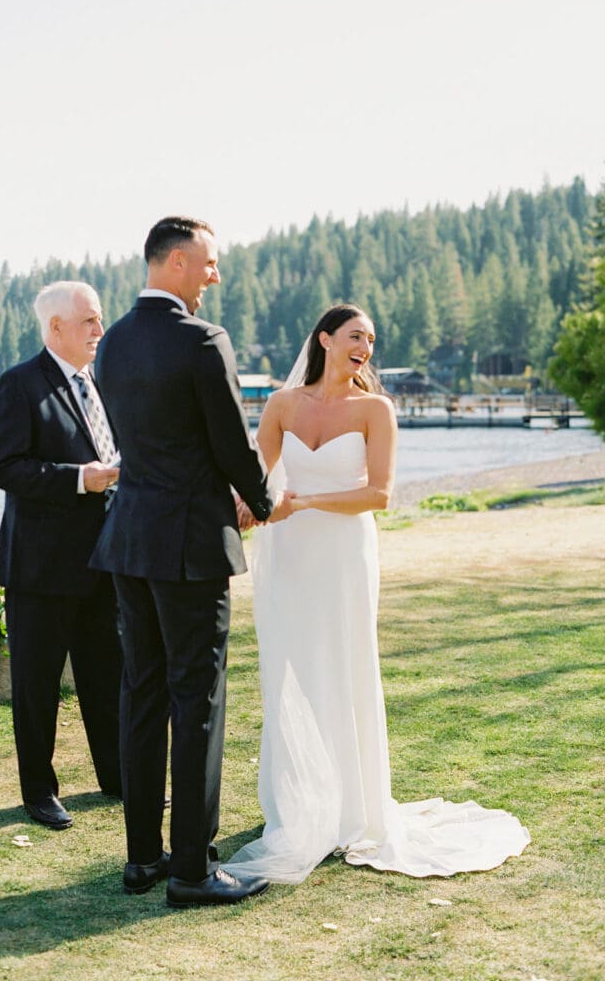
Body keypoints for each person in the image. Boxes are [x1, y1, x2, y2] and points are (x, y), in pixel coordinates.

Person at [228, 304, 530, 883]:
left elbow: (380, 495)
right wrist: (245, 510)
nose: (365, 345)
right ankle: (297, 802)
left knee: (343, 667)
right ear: (325, 340)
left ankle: (351, 809)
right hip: (288, 555)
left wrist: (304, 503)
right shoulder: (282, 405)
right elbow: (257, 480)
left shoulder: (376, 409)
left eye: (370, 338)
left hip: (343, 554)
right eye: (354, 335)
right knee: (291, 666)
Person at [88, 216, 293, 907]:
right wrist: (263, 502)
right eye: (209, 263)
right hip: (188, 545)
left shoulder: (111, 342)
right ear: (174, 262)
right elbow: (231, 442)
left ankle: (143, 858)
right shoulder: (202, 340)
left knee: (141, 695)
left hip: (129, 540)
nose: (214, 276)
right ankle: (194, 871)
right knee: (197, 699)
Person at [0, 281, 123, 830]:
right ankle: (39, 793)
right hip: (40, 568)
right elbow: (5, 468)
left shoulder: (104, 382)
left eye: (100, 319)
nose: (99, 330)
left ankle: (118, 779)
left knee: (108, 677)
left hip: (104, 561)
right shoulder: (19, 385)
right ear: (56, 328)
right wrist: (80, 480)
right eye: (89, 321)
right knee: (37, 688)